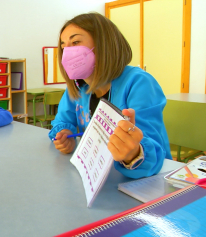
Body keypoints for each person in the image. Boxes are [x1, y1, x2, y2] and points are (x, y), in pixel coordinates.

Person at [49, 12, 172, 179]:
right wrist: (65, 134)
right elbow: (62, 120)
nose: (67, 52)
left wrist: (133, 153)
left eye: (76, 42)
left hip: (148, 182)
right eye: (64, 46)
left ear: (103, 44)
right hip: (101, 178)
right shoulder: (78, 88)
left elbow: (153, 151)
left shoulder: (138, 82)